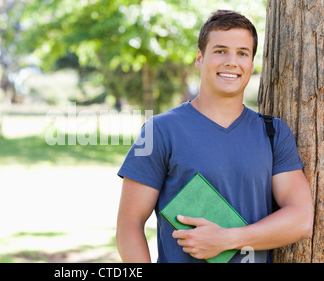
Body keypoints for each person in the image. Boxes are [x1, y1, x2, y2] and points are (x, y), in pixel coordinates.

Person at [116, 10, 314, 263]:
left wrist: (226, 239)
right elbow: (129, 225)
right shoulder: (159, 131)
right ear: (200, 58)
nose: (232, 62)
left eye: (242, 53)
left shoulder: (273, 132)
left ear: (251, 64)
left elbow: (300, 220)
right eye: (220, 51)